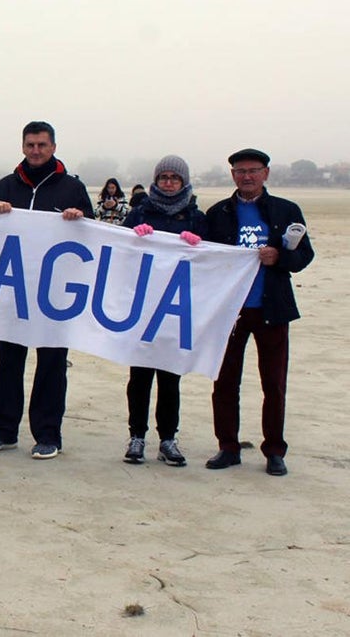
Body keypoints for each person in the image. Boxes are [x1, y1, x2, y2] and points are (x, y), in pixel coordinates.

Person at [0, 121, 93, 460]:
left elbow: (94, 233)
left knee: (52, 365)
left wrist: (80, 217)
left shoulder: (72, 188)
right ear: (23, 147)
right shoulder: (6, 186)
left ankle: (47, 434)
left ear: (53, 147)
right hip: (12, 290)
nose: (36, 151)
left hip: (55, 294)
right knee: (9, 363)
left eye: (42, 144)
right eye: (30, 145)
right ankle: (4, 430)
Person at [203, 148, 314, 476]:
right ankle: (228, 446)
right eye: (240, 171)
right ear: (233, 175)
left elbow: (304, 256)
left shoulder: (285, 210)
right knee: (224, 382)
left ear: (266, 173)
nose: (247, 176)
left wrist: (279, 257)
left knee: (274, 383)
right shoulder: (218, 212)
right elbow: (205, 260)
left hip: (272, 307)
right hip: (230, 310)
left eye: (253, 170)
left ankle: (275, 450)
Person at [121, 155, 206, 466]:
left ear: (183, 182)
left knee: (170, 378)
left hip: (175, 311)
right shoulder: (139, 212)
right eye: (164, 177)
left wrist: (198, 246)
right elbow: (119, 251)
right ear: (156, 180)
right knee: (139, 376)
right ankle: (137, 436)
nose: (169, 182)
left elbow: (211, 262)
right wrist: (132, 236)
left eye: (175, 177)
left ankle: (168, 438)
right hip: (143, 308)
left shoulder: (196, 217)